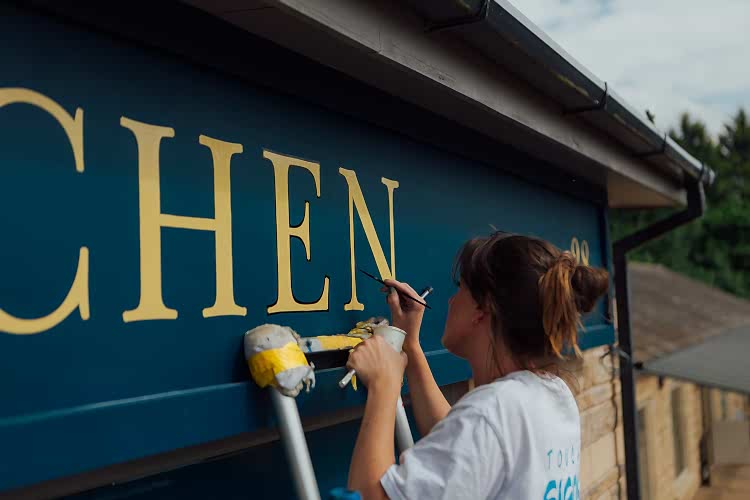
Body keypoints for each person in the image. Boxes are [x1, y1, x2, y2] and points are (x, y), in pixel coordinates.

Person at [346, 232, 610, 499]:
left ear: (482, 310)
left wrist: (383, 385)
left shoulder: (492, 411)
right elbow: (463, 451)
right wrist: (410, 346)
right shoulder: (553, 393)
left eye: (460, 288)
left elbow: (370, 495)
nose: (451, 300)